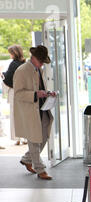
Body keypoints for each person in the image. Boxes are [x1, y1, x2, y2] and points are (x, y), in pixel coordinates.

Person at [13, 45, 56, 180]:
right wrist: (35, 94)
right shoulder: (22, 70)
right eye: (41, 61)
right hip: (29, 111)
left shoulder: (39, 69)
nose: (43, 63)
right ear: (34, 58)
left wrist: (48, 93)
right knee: (33, 140)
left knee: (43, 136)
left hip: (42, 109)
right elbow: (18, 94)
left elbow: (39, 87)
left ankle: (27, 159)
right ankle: (40, 169)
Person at [2, 45, 26, 146]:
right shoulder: (24, 63)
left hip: (14, 92)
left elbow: (8, 78)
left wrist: (2, 74)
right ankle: (25, 138)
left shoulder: (13, 64)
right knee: (23, 115)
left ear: (14, 53)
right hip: (24, 92)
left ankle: (17, 138)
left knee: (14, 115)